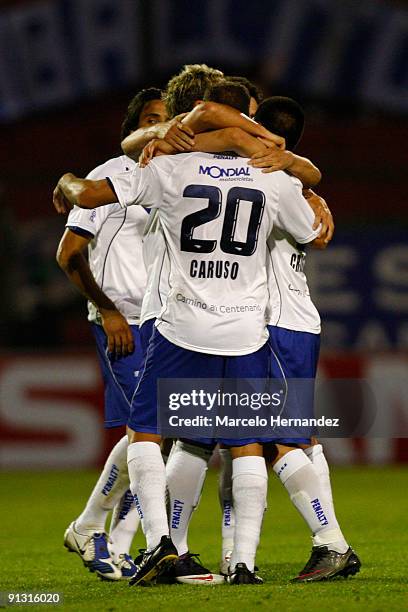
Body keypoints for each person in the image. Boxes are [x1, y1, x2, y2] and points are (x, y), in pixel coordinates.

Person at [52, 85, 323, 587]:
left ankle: (155, 543)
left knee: (150, 431)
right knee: (244, 445)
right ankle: (240, 561)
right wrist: (300, 179)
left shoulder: (168, 169)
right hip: (244, 328)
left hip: (179, 324)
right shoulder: (272, 175)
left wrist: (67, 180)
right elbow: (315, 228)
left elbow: (88, 193)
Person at [56, 88, 168, 581]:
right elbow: (68, 254)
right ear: (132, 127)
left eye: (168, 119)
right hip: (122, 323)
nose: (159, 127)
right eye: (150, 118)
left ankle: (99, 531)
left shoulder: (172, 178)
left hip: (165, 324)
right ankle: (100, 530)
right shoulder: (109, 177)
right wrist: (107, 312)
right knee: (151, 430)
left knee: (159, 434)